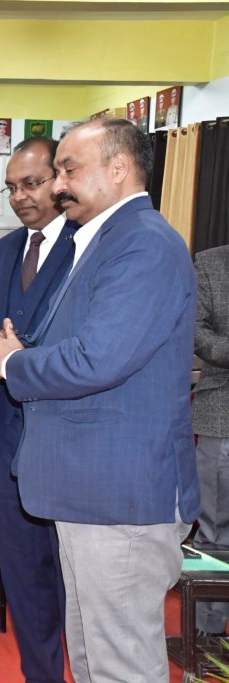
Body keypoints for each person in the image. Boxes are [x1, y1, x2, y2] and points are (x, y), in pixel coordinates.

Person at [0, 118, 199, 682]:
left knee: (122, 666)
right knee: (91, 660)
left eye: (68, 170)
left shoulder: (143, 245)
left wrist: (11, 363)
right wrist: (13, 352)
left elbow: (98, 358)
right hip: (88, 491)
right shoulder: (104, 240)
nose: (59, 184)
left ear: (119, 168)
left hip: (120, 495)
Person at [0, 137, 76, 683]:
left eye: (31, 183)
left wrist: (16, 357)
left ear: (61, 180)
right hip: (10, 437)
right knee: (23, 575)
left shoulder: (89, 243)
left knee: (73, 579)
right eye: (11, 187)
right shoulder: (5, 251)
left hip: (69, 439)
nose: (19, 197)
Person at [192, 244, 229, 638]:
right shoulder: (210, 263)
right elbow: (195, 330)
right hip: (222, 411)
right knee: (215, 528)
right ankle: (208, 632)